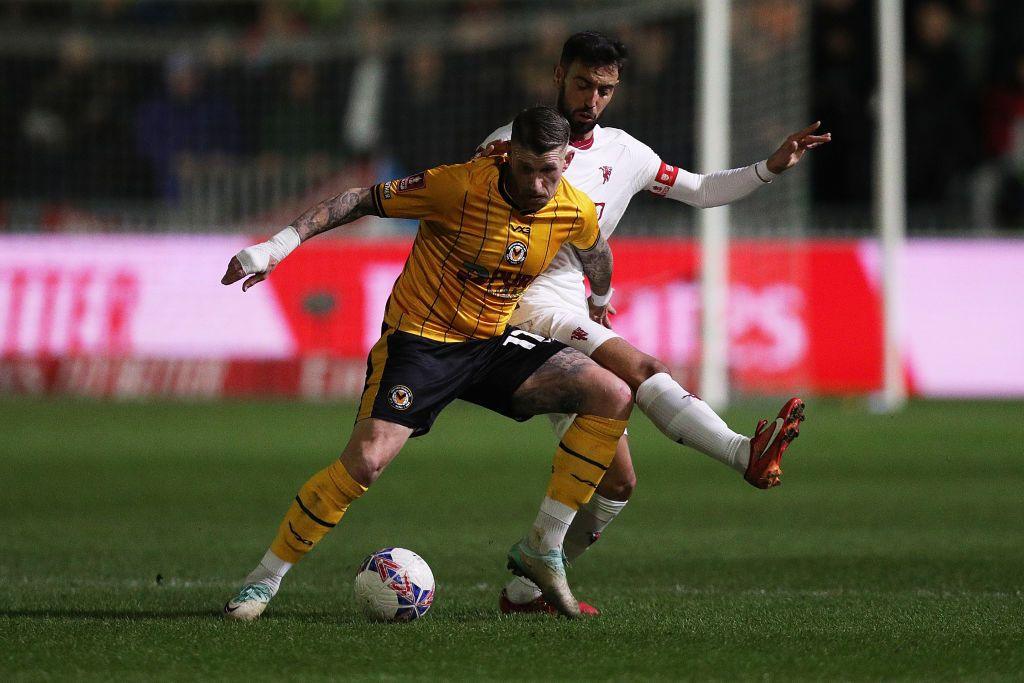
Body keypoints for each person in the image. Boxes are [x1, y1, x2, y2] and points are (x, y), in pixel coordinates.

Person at [220, 106, 631, 620]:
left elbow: (597, 253)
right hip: (421, 343)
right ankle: (263, 581)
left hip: (492, 343)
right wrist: (277, 247)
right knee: (366, 462)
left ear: (566, 161)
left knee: (612, 393)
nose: (536, 183)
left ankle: (543, 548)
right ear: (508, 155)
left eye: (548, 171)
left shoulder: (573, 209)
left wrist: (601, 298)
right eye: (525, 168)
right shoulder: (455, 187)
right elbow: (358, 200)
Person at [475, 31, 830, 616]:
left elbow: (702, 190)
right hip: (520, 305)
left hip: (571, 305)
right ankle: (743, 453)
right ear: (560, 74)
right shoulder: (506, 146)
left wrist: (770, 167)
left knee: (617, 486)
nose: (591, 98)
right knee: (641, 366)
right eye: (583, 83)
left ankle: (526, 590)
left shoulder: (626, 154)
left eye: (604, 89)